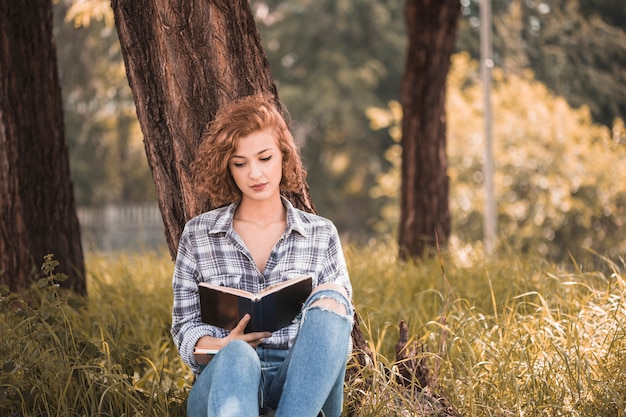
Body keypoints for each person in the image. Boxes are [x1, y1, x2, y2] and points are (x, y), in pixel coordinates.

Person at [170, 94, 354, 417]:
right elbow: (184, 328)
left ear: (284, 156)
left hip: (298, 383)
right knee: (240, 355)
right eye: (240, 163)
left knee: (334, 297)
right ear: (228, 167)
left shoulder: (321, 234)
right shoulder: (198, 235)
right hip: (226, 378)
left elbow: (337, 338)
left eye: (265, 158)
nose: (254, 174)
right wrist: (222, 346)